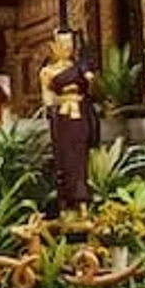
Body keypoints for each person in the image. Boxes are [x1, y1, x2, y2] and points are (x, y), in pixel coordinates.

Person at [39, 29, 97, 219]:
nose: (67, 48)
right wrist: (64, 99)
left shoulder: (81, 68)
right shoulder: (47, 72)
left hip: (80, 118)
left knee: (80, 161)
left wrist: (91, 82)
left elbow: (94, 92)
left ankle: (83, 204)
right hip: (62, 120)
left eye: (70, 44)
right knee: (64, 161)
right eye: (63, 45)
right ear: (54, 47)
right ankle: (64, 205)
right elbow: (48, 100)